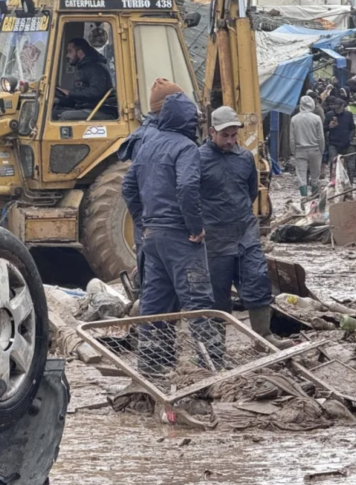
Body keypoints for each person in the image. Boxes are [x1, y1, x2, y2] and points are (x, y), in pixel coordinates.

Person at [121, 92, 220, 374]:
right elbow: (188, 187)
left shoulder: (148, 146)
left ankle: (153, 367)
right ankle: (211, 369)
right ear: (189, 121)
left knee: (155, 304)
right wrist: (195, 227)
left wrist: (143, 221)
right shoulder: (186, 148)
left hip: (152, 238)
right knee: (198, 303)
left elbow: (127, 187)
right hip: (179, 235)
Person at [199, 106, 292, 350]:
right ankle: (215, 344)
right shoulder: (198, 159)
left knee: (257, 279)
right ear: (211, 132)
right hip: (215, 235)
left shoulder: (244, 158)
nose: (230, 141)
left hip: (244, 231)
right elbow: (189, 196)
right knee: (217, 290)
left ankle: (263, 336)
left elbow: (251, 191)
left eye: (233, 135)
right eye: (224, 136)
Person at [118, 78, 184, 291]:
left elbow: (130, 185)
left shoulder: (147, 134)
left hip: (151, 222)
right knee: (160, 286)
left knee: (155, 284)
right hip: (160, 223)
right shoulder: (155, 139)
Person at [53, 38, 114, 121]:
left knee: (65, 116)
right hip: (86, 108)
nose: (67, 55)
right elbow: (78, 100)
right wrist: (58, 100)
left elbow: (95, 93)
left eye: (70, 51)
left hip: (100, 110)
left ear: (80, 53)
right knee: (52, 114)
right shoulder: (82, 69)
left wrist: (70, 93)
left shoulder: (96, 68)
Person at [290, 96, 325, 197]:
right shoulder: (316, 118)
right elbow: (320, 137)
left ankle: (304, 199)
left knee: (301, 176)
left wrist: (293, 151)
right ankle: (314, 197)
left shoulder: (294, 119)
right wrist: (321, 149)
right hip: (315, 149)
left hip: (300, 150)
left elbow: (292, 138)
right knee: (315, 175)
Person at [324, 97, 355, 175]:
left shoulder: (348, 115)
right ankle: (333, 181)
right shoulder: (329, 115)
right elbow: (323, 128)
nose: (337, 110)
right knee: (333, 163)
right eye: (335, 109)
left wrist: (350, 138)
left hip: (346, 143)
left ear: (342, 106)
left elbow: (353, 128)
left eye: (338, 108)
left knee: (348, 166)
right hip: (333, 143)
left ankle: (347, 183)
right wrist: (329, 126)